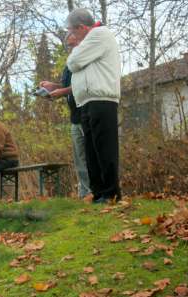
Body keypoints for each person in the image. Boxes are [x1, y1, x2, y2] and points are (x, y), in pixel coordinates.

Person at [66, 8, 122, 203]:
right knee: (91, 151)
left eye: (72, 31)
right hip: (87, 102)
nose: (71, 36)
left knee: (105, 148)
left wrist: (76, 52)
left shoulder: (99, 34)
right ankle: (98, 193)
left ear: (82, 27)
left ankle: (111, 193)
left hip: (102, 100)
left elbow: (73, 62)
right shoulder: (88, 41)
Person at [40, 33, 91, 199]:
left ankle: (99, 191)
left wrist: (62, 91)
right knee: (80, 158)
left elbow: (82, 84)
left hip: (87, 113)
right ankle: (85, 193)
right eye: (68, 45)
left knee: (92, 155)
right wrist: (52, 86)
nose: (70, 47)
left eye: (72, 43)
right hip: (75, 118)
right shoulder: (69, 63)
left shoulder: (86, 58)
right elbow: (67, 86)